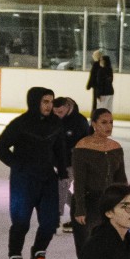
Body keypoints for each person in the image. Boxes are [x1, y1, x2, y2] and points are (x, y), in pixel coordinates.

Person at [0, 87, 63, 259]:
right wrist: (18, 165)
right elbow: (1, 148)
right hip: (23, 181)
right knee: (21, 223)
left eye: (51, 101)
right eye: (45, 102)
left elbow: (59, 148)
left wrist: (63, 170)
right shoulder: (20, 124)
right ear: (35, 102)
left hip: (48, 179)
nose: (49, 106)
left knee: (50, 223)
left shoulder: (55, 123)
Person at [70, 109, 126, 250]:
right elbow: (80, 182)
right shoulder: (82, 147)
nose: (109, 126)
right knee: (87, 249)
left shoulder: (116, 147)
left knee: (110, 249)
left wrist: (126, 203)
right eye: (104, 122)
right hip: (89, 204)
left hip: (110, 204)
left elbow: (121, 180)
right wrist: (80, 209)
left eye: (111, 122)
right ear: (94, 124)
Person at [52, 98, 93, 234]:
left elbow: (87, 142)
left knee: (61, 185)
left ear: (68, 107)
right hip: (60, 162)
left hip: (74, 162)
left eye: (60, 111)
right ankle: (81, 213)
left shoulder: (79, 121)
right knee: (59, 187)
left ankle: (56, 217)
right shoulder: (55, 119)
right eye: (55, 112)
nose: (57, 114)